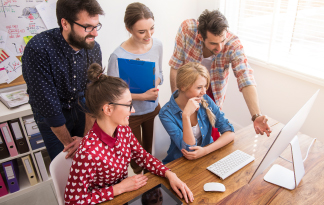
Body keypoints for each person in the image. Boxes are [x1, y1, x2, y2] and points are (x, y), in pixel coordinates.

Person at [64, 63, 194, 205]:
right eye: (128, 105)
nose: (132, 111)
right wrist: (117, 189)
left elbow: (142, 157)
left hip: (125, 197)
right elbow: (72, 200)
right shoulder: (88, 152)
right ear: (108, 109)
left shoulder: (123, 130)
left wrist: (170, 174)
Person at [169, 10, 271, 138]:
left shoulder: (233, 44)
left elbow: (245, 78)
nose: (220, 47)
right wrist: (177, 100)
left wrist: (256, 115)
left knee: (210, 133)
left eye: (222, 40)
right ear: (200, 37)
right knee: (185, 130)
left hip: (213, 91)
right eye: (213, 43)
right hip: (188, 87)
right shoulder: (187, 29)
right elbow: (175, 66)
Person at [22, 0, 104, 160]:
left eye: (97, 26)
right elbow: (48, 105)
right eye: (88, 27)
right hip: (52, 112)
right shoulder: (38, 49)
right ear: (65, 24)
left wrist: (85, 140)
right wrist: (70, 145)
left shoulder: (94, 47)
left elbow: (93, 94)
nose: (95, 34)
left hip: (82, 106)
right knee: (66, 161)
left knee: (89, 157)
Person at [108, 2, 162, 174]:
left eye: (152, 28)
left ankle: (151, 183)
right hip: (130, 115)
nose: (148, 35)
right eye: (141, 31)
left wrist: (156, 81)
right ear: (128, 29)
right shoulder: (117, 56)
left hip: (153, 108)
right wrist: (142, 96)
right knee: (137, 160)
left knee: (152, 152)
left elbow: (160, 72)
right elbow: (112, 95)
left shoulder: (158, 45)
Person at [159, 62, 235, 164]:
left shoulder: (205, 100)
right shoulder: (166, 113)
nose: (204, 92)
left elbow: (229, 132)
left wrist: (205, 150)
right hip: (180, 162)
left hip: (206, 156)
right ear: (183, 87)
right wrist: (185, 116)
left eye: (205, 86)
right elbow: (189, 150)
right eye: (199, 87)